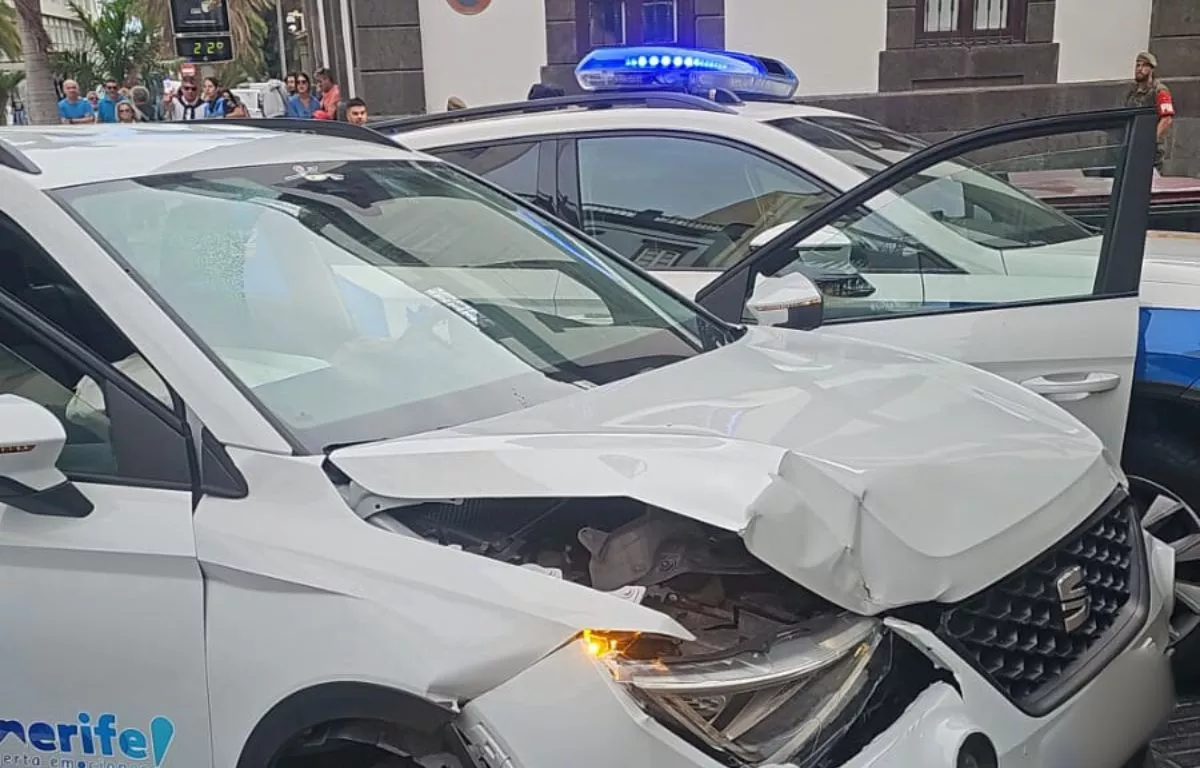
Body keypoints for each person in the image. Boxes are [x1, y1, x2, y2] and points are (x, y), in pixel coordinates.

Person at [1125, 51, 1175, 174]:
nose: (1139, 69)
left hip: (1151, 148)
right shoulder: (1132, 93)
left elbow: (1166, 118)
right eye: (1137, 65)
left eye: (1144, 66)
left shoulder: (1160, 91)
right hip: (1133, 144)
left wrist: (1151, 140)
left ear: (1151, 69)